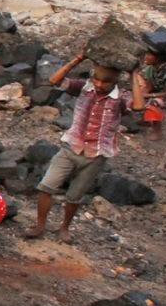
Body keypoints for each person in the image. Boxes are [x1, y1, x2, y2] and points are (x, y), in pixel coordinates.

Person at [25, 51, 149, 243]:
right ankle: (40, 225)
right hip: (70, 147)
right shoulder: (84, 88)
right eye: (96, 79)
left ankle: (64, 228)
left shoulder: (121, 98)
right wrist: (79, 58)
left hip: (95, 155)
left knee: (74, 196)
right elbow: (54, 80)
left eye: (105, 82)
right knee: (46, 186)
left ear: (115, 81)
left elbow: (139, 107)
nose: (99, 84)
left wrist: (133, 74)